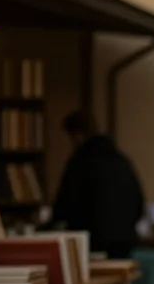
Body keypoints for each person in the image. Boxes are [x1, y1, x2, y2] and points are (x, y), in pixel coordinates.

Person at [51, 111, 145, 259]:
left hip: (91, 240)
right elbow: (139, 202)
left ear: (76, 135)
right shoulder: (121, 161)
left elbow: (65, 204)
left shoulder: (80, 162)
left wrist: (48, 226)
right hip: (124, 240)